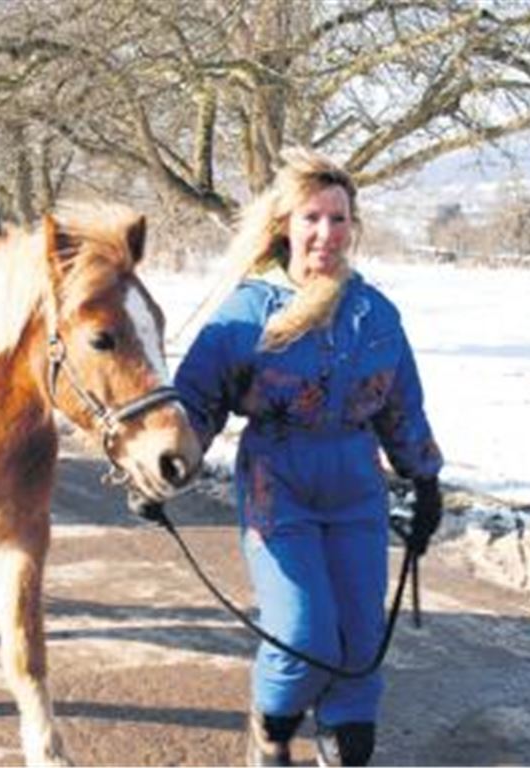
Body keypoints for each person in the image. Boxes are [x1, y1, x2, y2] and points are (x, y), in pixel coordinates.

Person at [173, 148, 443, 767]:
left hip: (355, 485)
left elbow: (402, 404)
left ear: (353, 226)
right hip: (277, 482)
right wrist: (167, 467)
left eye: (339, 219)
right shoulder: (248, 311)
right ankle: (270, 732)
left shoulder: (375, 313)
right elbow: (196, 402)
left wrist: (426, 479)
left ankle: (343, 743)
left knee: (359, 637)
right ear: (285, 225)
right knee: (300, 631)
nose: (326, 233)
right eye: (312, 218)